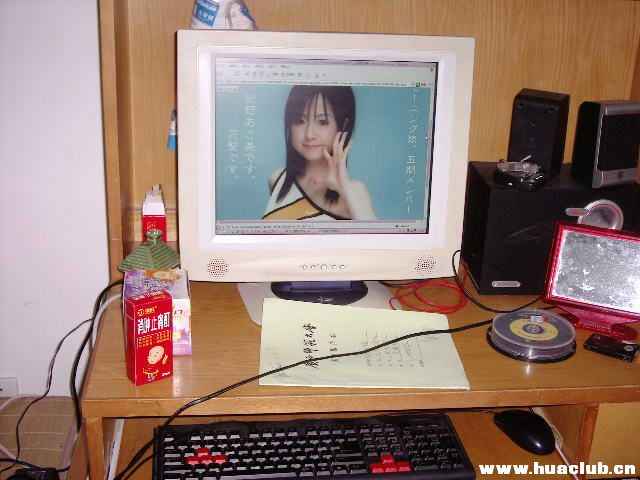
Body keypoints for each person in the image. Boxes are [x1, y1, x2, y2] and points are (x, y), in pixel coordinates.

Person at [263, 85, 376, 221]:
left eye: (322, 122)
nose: (309, 134)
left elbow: (378, 235)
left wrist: (344, 188)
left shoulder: (353, 192)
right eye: (300, 121)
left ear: (343, 126)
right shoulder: (278, 179)